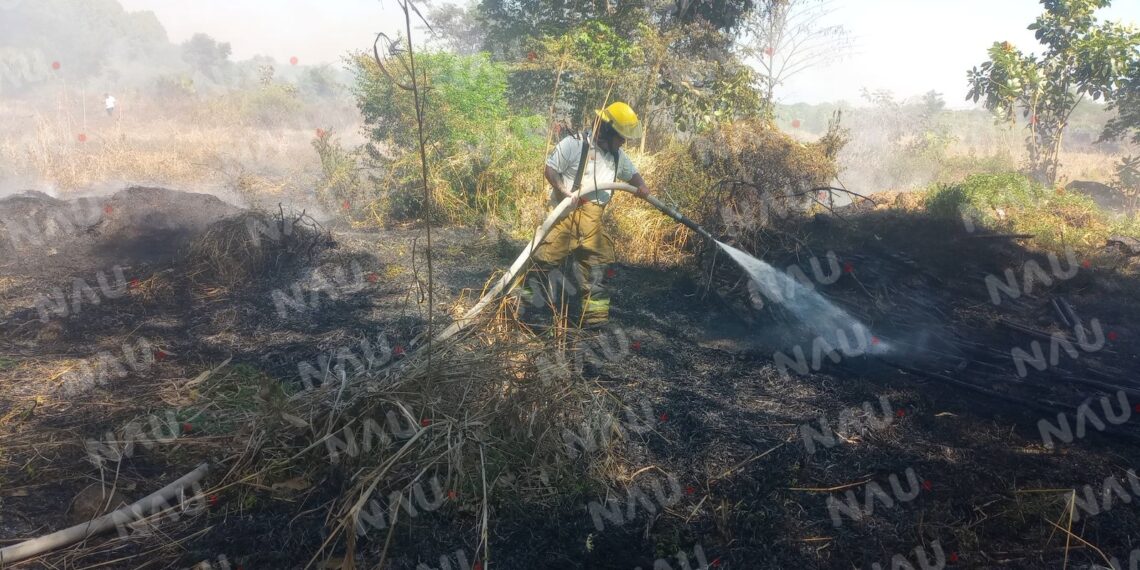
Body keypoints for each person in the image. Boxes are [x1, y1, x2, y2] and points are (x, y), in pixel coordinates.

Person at [525, 101, 653, 328]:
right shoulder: (574, 145)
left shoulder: (617, 156)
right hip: (566, 216)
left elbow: (632, 174)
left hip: (593, 222)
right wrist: (564, 191)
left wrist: (641, 187)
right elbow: (550, 170)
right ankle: (523, 311)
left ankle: (594, 322)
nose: (623, 142)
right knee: (541, 261)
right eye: (621, 137)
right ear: (607, 130)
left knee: (598, 267)